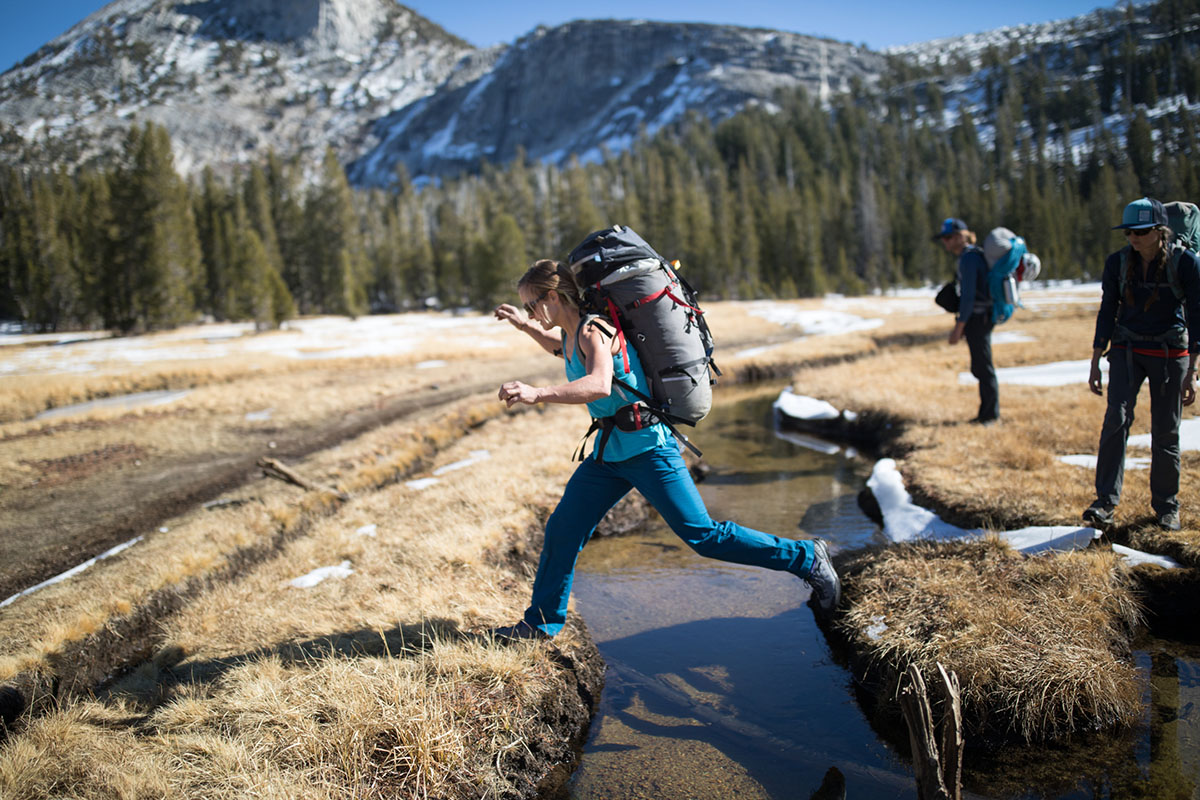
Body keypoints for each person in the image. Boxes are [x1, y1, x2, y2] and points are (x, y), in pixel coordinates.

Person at [491, 258, 841, 640]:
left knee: (703, 535)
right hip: (609, 456)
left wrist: (536, 393)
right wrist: (523, 324)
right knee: (563, 528)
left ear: (555, 296)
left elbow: (598, 384)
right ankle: (542, 623)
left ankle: (806, 557)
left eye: (532, 304)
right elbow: (559, 347)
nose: (530, 311)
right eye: (526, 307)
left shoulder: (595, 330)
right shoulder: (573, 335)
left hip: (648, 448)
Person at [1084, 197, 1200, 532]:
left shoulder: (1186, 263)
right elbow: (1108, 310)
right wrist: (1095, 359)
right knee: (1115, 420)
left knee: (1166, 431)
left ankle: (1167, 507)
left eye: (1141, 231)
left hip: (1170, 354)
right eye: (1128, 232)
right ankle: (1104, 503)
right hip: (1126, 349)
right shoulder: (1118, 263)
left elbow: (1197, 315)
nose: (1133, 237)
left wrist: (1192, 370)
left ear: (1160, 231)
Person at [934, 217, 999, 424]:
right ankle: (986, 414)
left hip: (978, 318)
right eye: (944, 238)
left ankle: (990, 416)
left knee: (984, 366)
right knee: (980, 366)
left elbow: (969, 296)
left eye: (949, 237)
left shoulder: (969, 259)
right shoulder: (968, 257)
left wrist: (958, 327)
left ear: (961, 236)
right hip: (978, 317)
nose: (945, 242)